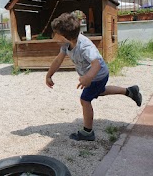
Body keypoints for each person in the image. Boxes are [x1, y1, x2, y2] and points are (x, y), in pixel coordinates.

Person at [45, 13, 142, 141]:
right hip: (93, 77)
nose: (53, 36)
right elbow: (58, 60)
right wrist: (49, 75)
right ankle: (130, 91)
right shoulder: (66, 45)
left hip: (98, 75)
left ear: (65, 36)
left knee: (85, 99)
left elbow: (96, 64)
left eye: (55, 33)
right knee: (99, 91)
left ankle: (87, 132)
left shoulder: (85, 46)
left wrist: (88, 78)